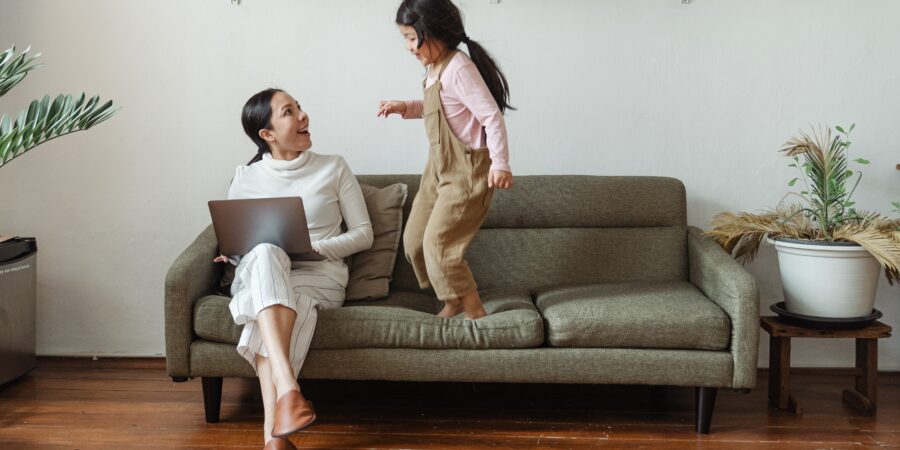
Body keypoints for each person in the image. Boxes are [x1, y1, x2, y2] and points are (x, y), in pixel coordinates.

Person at [216, 88, 373, 450]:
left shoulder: (333, 167)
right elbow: (240, 244)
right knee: (267, 251)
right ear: (267, 134)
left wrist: (316, 247)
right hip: (264, 271)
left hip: (320, 276)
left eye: (299, 107)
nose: (303, 116)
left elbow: (364, 234)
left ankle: (276, 431)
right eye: (289, 111)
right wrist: (233, 255)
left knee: (276, 306)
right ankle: (286, 397)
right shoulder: (245, 178)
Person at [377, 0, 514, 320]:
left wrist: (500, 163)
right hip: (436, 170)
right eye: (405, 39)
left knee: (438, 245)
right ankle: (449, 296)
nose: (409, 47)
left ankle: (474, 311)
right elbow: (440, 107)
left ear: (436, 32)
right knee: (413, 242)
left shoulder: (459, 68)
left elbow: (491, 117)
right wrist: (405, 107)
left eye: (412, 37)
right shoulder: (433, 69)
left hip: (466, 172)